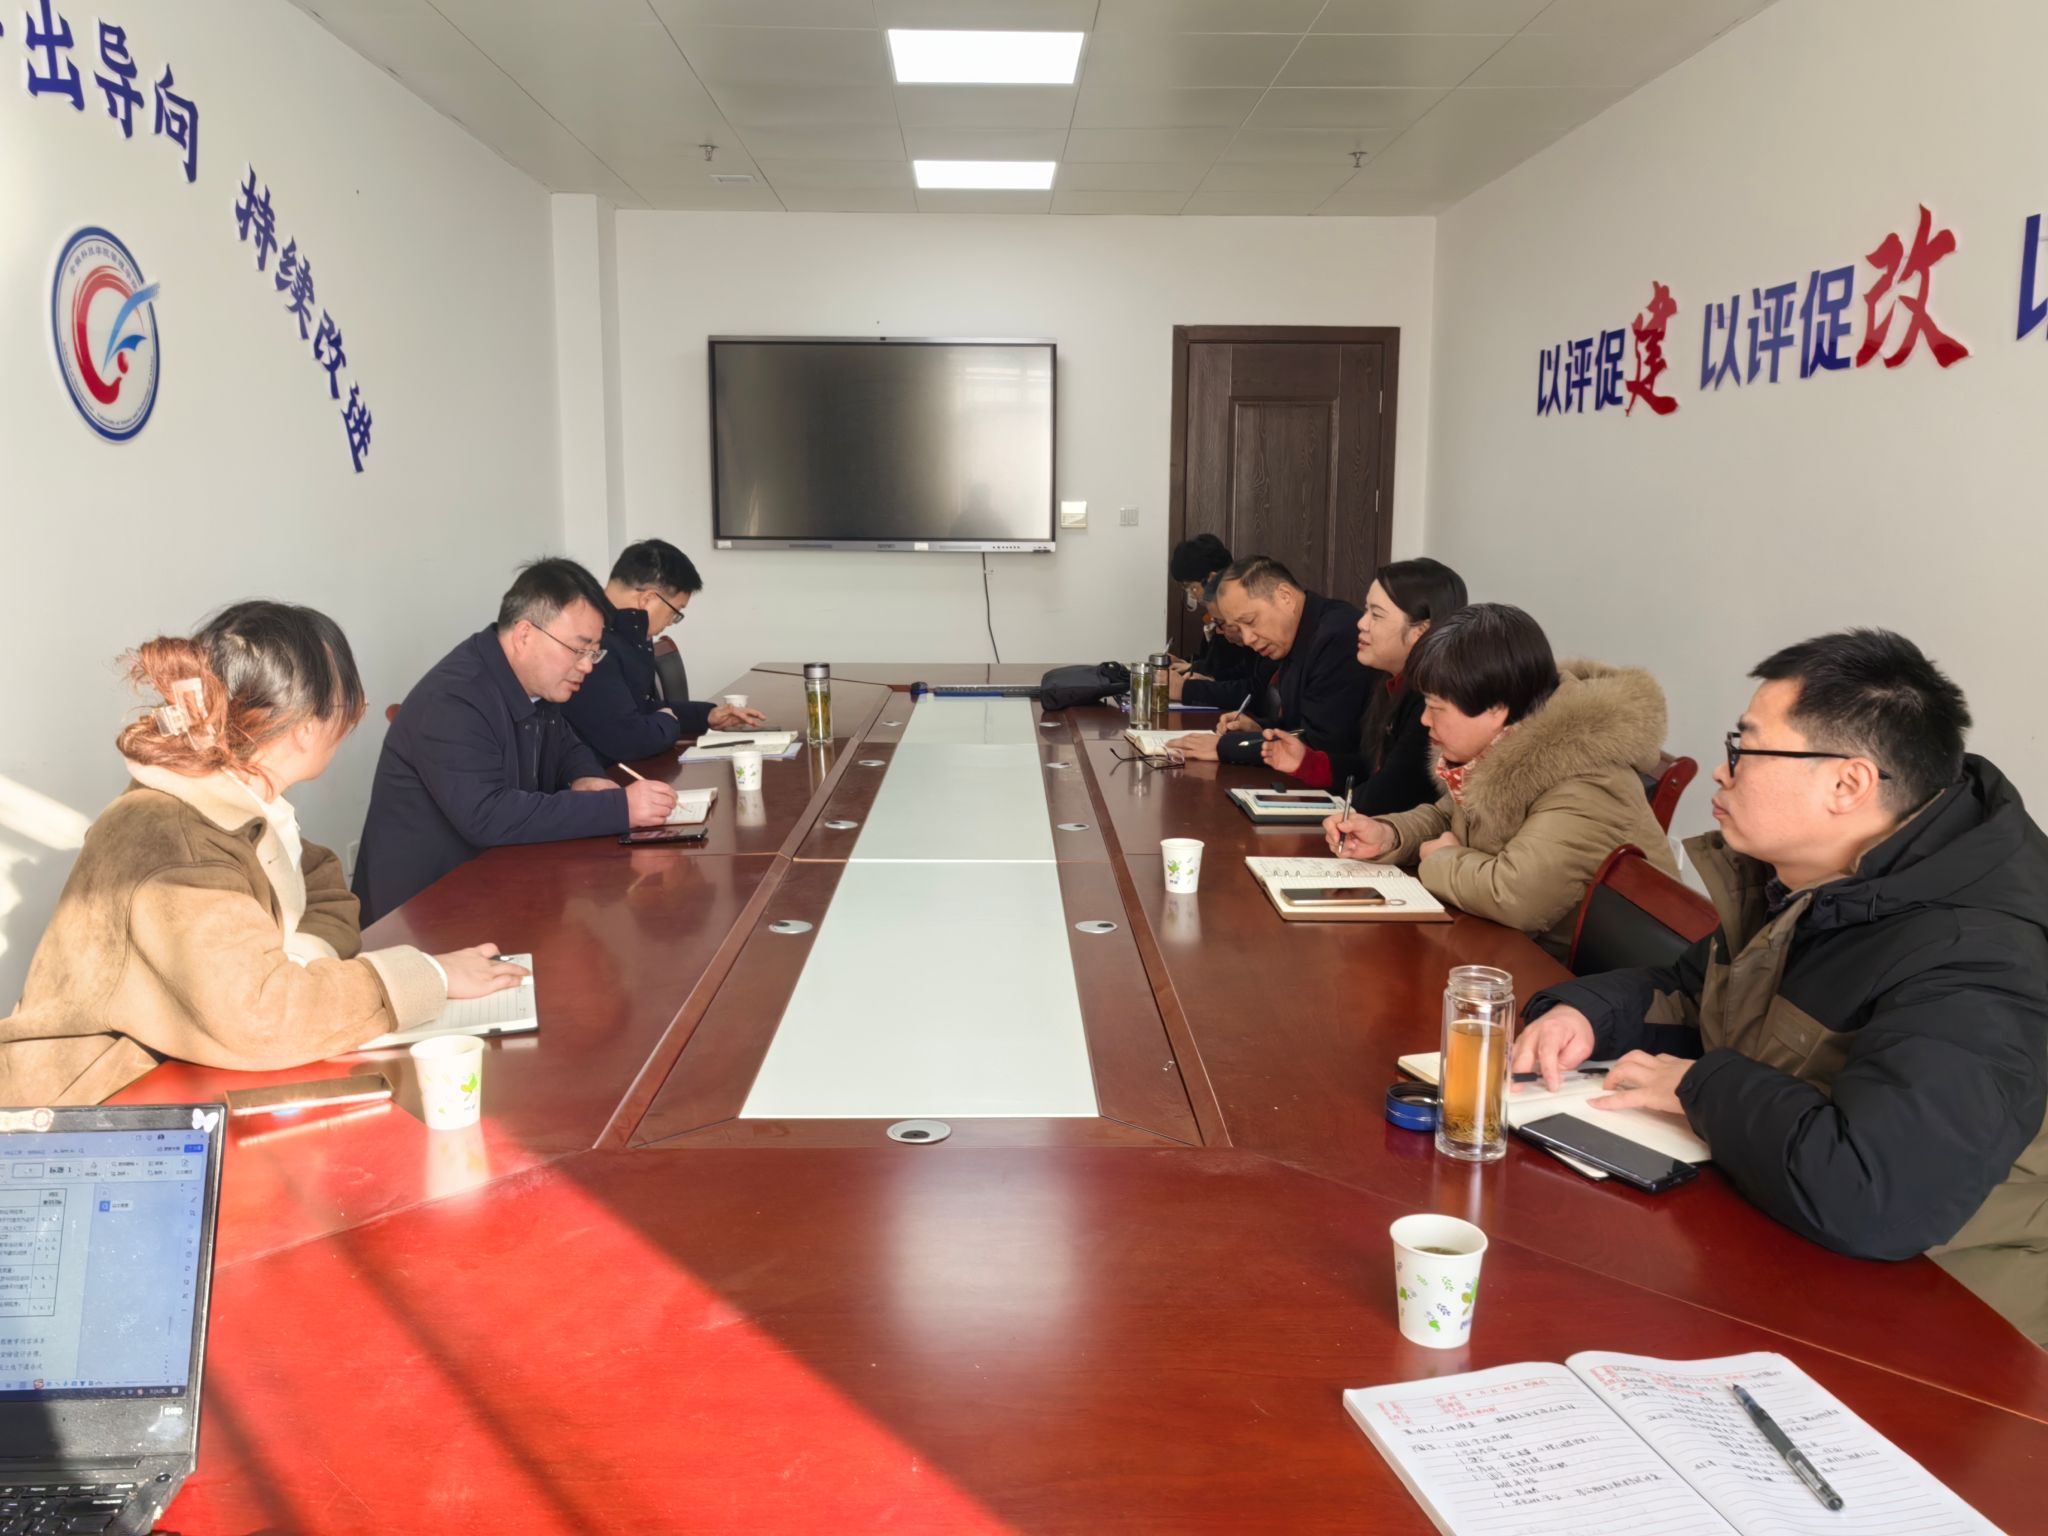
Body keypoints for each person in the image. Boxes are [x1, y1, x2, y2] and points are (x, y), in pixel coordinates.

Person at [1512, 630, 2048, 1344]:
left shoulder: (1978, 955)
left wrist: (1700, 1087)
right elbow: (1696, 992)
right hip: (1791, 1243)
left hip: (1947, 1320)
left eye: (1746, 749)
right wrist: (1582, 1014)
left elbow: (1876, 1195)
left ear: (1847, 784)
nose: (1721, 772)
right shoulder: (1831, 880)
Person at [0, 603, 528, 1106]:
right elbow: (268, 1017)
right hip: (93, 1113)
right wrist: (431, 977)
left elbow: (323, 880)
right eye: (351, 708)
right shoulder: (179, 846)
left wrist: (299, 962)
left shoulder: (236, 804)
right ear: (305, 728)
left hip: (177, 1077)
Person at [1322, 603, 1675, 953]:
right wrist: (1388, 836)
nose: (1424, 720)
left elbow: (1514, 896)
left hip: (1582, 978)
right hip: (1515, 951)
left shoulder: (1587, 778)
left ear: (1495, 709)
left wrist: (1440, 859)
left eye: (1436, 707)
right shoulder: (1506, 745)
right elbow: (1447, 817)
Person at [352, 559, 678, 924]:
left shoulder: (535, 685)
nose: (587, 666)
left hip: (495, 884)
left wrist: (584, 776)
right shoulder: (453, 699)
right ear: (524, 635)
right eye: (579, 649)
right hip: (419, 915)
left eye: (594, 652)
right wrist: (618, 808)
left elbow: (567, 745)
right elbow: (488, 815)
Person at [1262, 557, 1467, 814]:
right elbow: (1370, 769)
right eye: (1366, 610)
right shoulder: (1389, 683)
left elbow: (1390, 794)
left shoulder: (1433, 702)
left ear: (1421, 631)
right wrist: (1307, 762)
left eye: (1376, 615)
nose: (1361, 623)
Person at [562, 539, 767, 765]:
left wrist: (707, 716)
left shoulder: (627, 633)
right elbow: (627, 738)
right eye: (675, 611)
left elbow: (638, 708)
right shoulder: (595, 643)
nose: (671, 622)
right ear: (648, 599)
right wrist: (667, 722)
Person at [1168, 556, 1371, 764]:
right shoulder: (1293, 636)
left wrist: (1226, 747)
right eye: (1238, 628)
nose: (1248, 639)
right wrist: (1260, 729)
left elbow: (1321, 746)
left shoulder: (1335, 637)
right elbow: (1298, 727)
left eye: (1250, 621)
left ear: (1285, 597)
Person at [1166, 534, 1254, 693]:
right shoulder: (1216, 613)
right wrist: (1189, 666)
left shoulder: (1235, 613)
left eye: (1192, 587)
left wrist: (1190, 684)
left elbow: (1238, 676)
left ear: (1212, 578)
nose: (1192, 595)